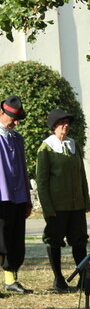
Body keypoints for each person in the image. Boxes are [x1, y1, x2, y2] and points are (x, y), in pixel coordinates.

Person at [36, 108, 90, 292]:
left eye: (67, 122)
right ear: (54, 126)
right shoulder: (46, 148)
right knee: (54, 240)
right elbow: (42, 181)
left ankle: (84, 279)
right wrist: (48, 207)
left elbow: (82, 174)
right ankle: (58, 279)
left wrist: (86, 201)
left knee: (79, 240)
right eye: (61, 122)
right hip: (57, 205)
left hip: (76, 205)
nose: (66, 125)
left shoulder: (74, 145)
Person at [0, 95, 33, 294]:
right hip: (1, 197)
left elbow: (23, 168)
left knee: (15, 240)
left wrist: (27, 199)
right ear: (1, 113)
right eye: (12, 118)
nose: (16, 122)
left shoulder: (17, 139)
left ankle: (11, 280)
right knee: (0, 240)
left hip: (18, 197)